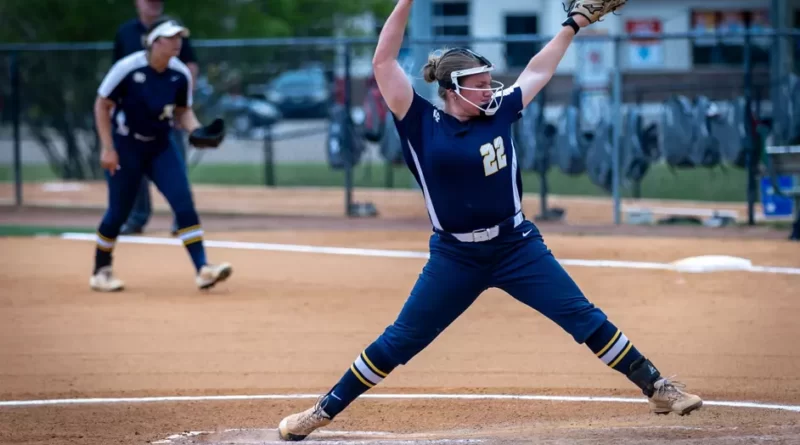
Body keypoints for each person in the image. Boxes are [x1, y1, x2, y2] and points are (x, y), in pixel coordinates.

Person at [276, 0, 702, 441]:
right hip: (455, 256)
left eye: (488, 82)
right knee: (402, 340)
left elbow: (538, 70)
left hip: (517, 245)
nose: (489, 89)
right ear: (453, 89)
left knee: (580, 315)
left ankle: (657, 386)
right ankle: (323, 411)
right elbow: (383, 60)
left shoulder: (499, 108)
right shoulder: (419, 120)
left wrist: (574, 24)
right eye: (479, 85)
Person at [89, 17, 232, 292]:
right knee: (119, 212)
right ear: (155, 43)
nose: (178, 43)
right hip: (126, 146)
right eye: (171, 38)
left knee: (183, 202)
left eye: (180, 38)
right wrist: (107, 148)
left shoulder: (180, 73)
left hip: (160, 145)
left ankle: (203, 268)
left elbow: (182, 111)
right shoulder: (128, 68)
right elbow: (101, 104)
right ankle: (101, 269)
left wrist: (198, 131)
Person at [114, 0, 199, 236]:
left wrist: (183, 106)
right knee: (135, 171)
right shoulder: (126, 33)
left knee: (176, 168)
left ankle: (181, 219)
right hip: (135, 122)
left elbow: (190, 66)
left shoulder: (175, 33)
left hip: (168, 115)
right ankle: (137, 218)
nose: (154, 5)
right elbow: (114, 82)